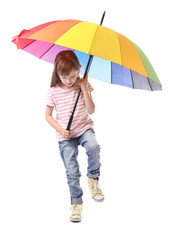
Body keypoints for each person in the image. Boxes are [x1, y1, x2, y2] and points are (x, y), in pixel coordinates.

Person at [45, 50, 104, 222]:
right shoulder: (53, 92)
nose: (70, 80)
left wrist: (85, 88)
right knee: (72, 171)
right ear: (57, 73)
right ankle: (76, 202)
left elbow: (91, 110)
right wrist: (61, 129)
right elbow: (47, 116)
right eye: (65, 77)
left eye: (73, 75)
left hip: (84, 128)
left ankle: (93, 177)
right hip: (66, 136)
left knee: (93, 146)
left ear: (79, 69)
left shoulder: (82, 84)